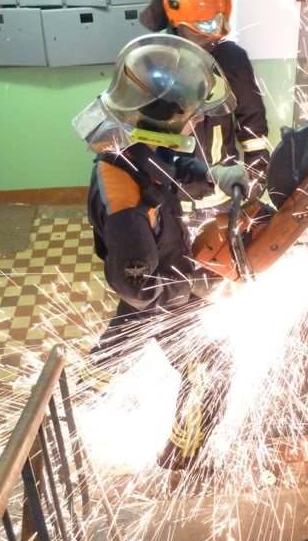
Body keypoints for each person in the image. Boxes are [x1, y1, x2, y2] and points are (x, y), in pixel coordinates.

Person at [73, 33, 252, 468]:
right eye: (190, 116)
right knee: (209, 368)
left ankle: (77, 403)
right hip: (157, 295)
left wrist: (213, 175)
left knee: (114, 354)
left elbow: (168, 165)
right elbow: (140, 291)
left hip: (164, 274)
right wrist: (199, 281)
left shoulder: (134, 145)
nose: (197, 122)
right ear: (162, 119)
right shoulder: (124, 205)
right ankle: (180, 458)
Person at [140, 0, 270, 213]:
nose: (213, 35)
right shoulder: (154, 63)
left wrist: (256, 174)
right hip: (172, 198)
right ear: (178, 22)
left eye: (219, 23)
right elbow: (141, 139)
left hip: (224, 194)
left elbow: (252, 122)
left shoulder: (231, 59)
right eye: (206, 25)